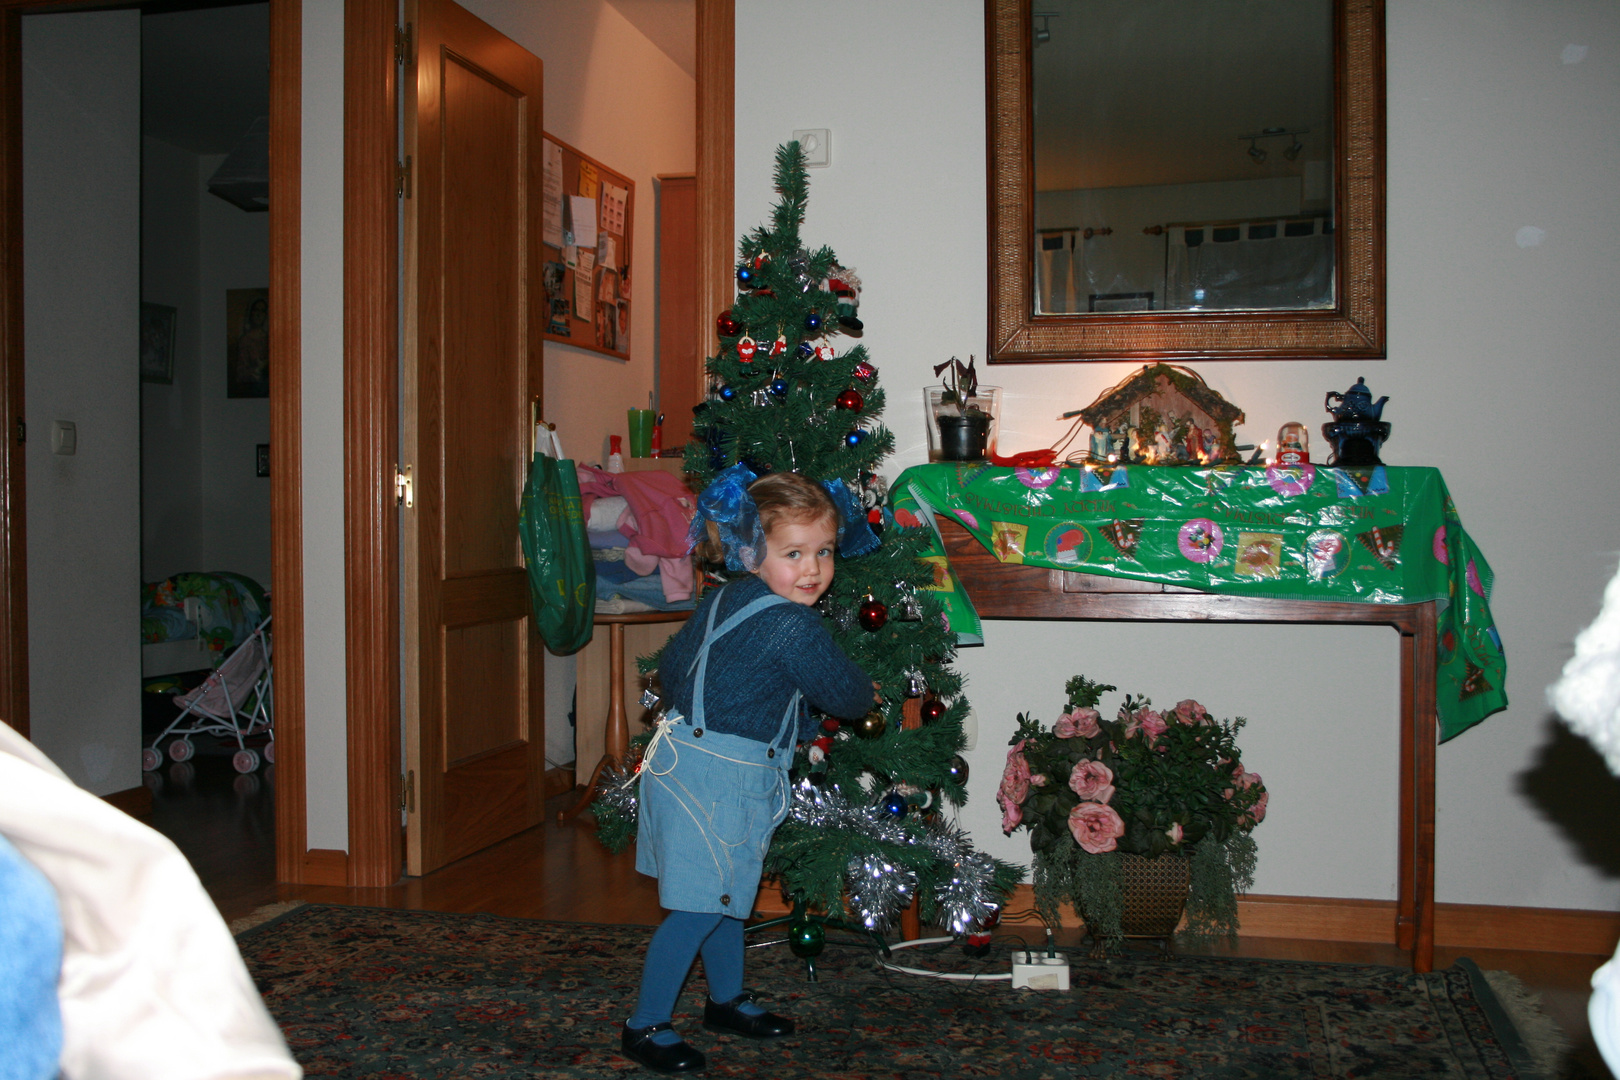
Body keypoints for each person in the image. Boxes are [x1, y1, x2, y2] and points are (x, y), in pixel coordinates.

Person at [621, 468, 877, 1074]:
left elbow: (676, 668)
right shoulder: (792, 624)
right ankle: (644, 1025)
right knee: (699, 907)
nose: (812, 569)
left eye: (823, 552)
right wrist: (868, 691)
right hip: (720, 777)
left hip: (682, 757)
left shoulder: (728, 597)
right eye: (794, 553)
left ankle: (726, 1000)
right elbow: (847, 696)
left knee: (725, 892)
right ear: (750, 552)